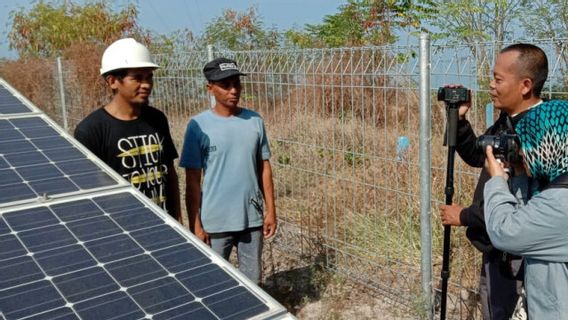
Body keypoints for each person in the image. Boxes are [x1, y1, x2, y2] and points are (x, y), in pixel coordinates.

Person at [439, 43, 548, 319]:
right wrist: (460, 120)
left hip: (518, 260)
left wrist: (464, 215)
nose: (491, 85)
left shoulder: (539, 133)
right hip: (497, 250)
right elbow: (480, 155)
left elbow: (519, 205)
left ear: (525, 85)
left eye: (498, 79)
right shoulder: (507, 122)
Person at [179, 57, 277, 284]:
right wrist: (196, 225)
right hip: (215, 223)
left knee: (253, 283)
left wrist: (271, 210)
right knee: (213, 284)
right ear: (210, 88)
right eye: (225, 85)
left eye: (236, 84)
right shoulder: (198, 126)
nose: (233, 90)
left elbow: (264, 168)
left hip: (251, 220)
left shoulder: (254, 121)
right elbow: (192, 180)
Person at [74, 38, 181, 221]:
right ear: (113, 81)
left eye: (149, 77)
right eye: (137, 78)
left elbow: (169, 174)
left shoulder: (157, 119)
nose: (146, 84)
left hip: (163, 228)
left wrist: (178, 221)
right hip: (122, 234)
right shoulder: (91, 131)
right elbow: (88, 195)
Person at [484, 100, 568, 319]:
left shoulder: (560, 204)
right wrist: (521, 176)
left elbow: (505, 232)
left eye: (527, 144)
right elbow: (529, 219)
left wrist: (497, 181)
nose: (521, 153)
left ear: (547, 146)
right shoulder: (556, 189)